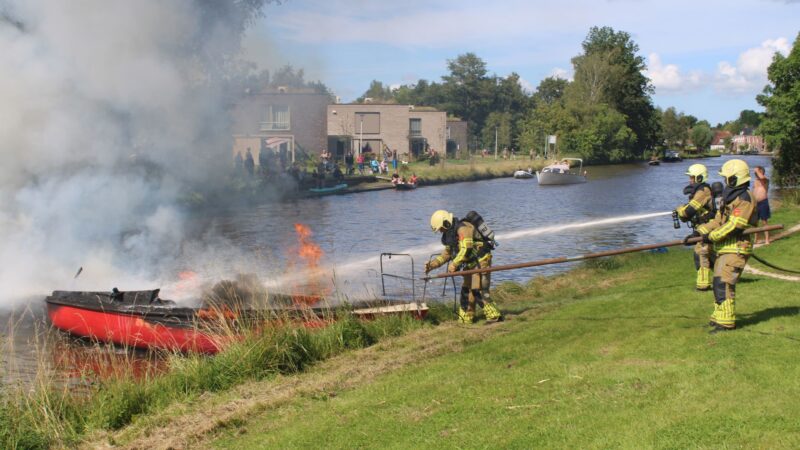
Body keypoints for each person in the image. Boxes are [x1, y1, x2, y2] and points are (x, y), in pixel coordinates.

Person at [695, 159, 757, 333]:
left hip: (737, 248)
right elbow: (718, 220)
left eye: (727, 178)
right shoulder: (730, 197)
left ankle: (727, 323)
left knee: (725, 284)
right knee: (718, 283)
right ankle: (719, 318)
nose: (724, 182)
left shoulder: (744, 198)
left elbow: (735, 225)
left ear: (735, 179)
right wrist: (701, 231)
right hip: (725, 249)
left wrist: (712, 236)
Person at [424, 210, 502, 324]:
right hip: (469, 264)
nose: (441, 232)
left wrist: (454, 263)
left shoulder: (463, 229)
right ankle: (466, 318)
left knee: (478, 290)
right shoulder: (450, 234)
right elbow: (446, 255)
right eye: (439, 230)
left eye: (441, 228)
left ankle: (494, 316)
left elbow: (467, 248)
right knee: (466, 291)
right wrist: (431, 265)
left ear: (446, 223)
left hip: (481, 260)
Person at [676, 164, 715, 291]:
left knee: (701, 253)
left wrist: (680, 210)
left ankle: (703, 285)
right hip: (704, 227)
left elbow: (688, 211)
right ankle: (724, 277)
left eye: (692, 177)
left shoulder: (702, 192)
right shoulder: (699, 191)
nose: (690, 180)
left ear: (699, 177)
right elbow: (688, 214)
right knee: (712, 255)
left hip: (708, 227)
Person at [753, 166, 770, 244]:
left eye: (757, 171)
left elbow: (762, 177)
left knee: (764, 221)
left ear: (761, 171)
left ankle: (767, 239)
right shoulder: (755, 181)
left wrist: (757, 170)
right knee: (755, 222)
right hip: (756, 203)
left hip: (763, 202)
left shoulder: (765, 180)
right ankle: (756, 239)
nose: (755, 173)